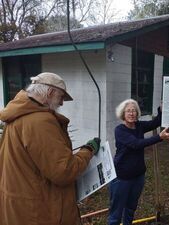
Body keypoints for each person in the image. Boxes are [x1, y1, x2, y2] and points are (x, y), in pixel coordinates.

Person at [0, 72, 100, 225]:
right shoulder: (40, 121)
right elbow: (64, 171)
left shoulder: (18, 115)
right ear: (50, 92)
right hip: (39, 212)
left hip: (18, 207)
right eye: (61, 97)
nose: (61, 103)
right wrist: (88, 150)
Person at [108, 99, 169, 225]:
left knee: (131, 209)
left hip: (138, 176)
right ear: (123, 114)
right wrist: (160, 137)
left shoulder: (139, 126)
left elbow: (156, 123)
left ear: (137, 113)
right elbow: (136, 144)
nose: (131, 113)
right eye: (128, 111)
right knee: (116, 214)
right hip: (122, 178)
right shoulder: (120, 130)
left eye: (134, 111)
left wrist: (161, 111)